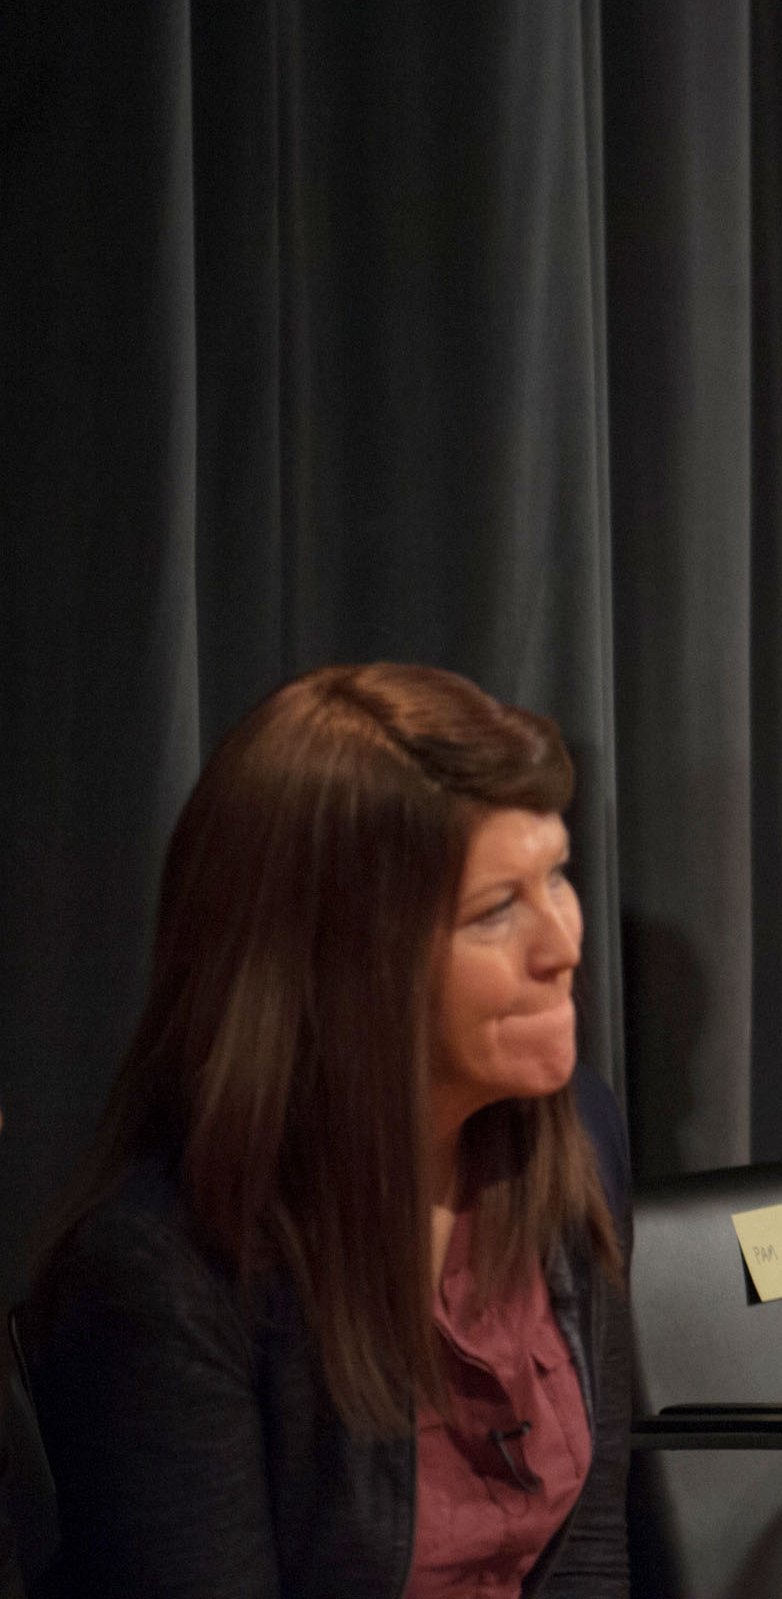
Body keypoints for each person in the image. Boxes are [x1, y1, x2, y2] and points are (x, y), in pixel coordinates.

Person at [23, 664, 632, 1598]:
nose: (562, 943)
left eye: (557, 876)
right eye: (495, 911)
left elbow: (591, 1553)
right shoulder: (165, 1273)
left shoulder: (574, 1135)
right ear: (343, 966)